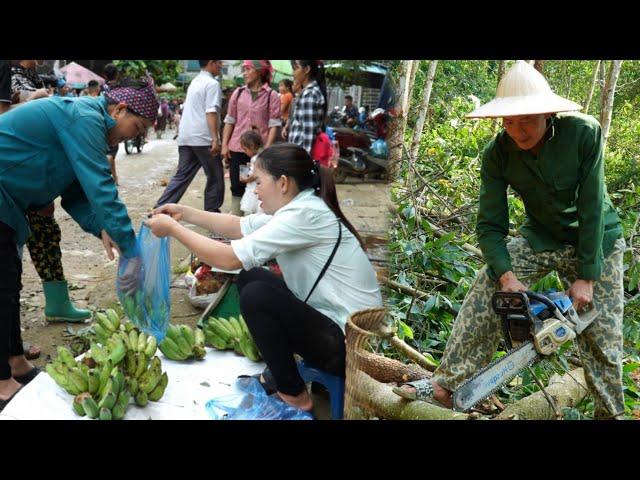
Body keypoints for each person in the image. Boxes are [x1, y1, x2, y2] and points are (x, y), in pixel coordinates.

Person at [393, 61, 626, 419]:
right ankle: (447, 385)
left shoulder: (583, 133)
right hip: (543, 236)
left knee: (603, 339)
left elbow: (593, 206)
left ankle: (609, 414)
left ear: (547, 113)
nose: (518, 130)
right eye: (509, 121)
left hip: (599, 240)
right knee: (486, 285)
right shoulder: (497, 154)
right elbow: (489, 226)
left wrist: (587, 276)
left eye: (527, 120)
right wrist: (506, 277)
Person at [145, 143, 382, 412]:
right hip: (335, 330)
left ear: (282, 183)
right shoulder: (299, 208)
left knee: (258, 295)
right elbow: (238, 226)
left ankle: (294, 395)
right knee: (251, 277)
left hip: (351, 349)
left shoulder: (303, 215)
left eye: (259, 180)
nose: (254, 188)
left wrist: (174, 230)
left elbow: (230, 258)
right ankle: (284, 376)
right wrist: (185, 213)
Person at [0, 78, 157, 411]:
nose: (135, 135)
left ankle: (15, 360)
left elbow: (75, 196)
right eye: (137, 126)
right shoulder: (84, 118)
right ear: (120, 109)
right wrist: (132, 250)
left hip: (10, 203)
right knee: (1, 284)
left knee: (9, 282)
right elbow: (101, 186)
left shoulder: (90, 129)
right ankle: (1, 379)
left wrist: (102, 228)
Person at [10, 60, 94, 327]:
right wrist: (33, 99)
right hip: (12, 171)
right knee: (8, 256)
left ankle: (58, 303)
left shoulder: (31, 74)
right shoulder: (7, 72)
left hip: (32, 173)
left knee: (45, 235)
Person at [155, 60, 225, 213]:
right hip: (203, 137)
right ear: (211, 62)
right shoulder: (212, 84)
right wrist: (215, 138)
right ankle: (213, 217)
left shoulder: (195, 81)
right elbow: (211, 111)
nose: (222, 65)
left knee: (182, 176)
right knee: (215, 177)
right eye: (220, 62)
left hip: (186, 136)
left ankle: (159, 210)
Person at [222, 60, 281, 216]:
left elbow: (273, 125)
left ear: (260, 71)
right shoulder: (238, 93)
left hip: (258, 151)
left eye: (248, 69)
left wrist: (266, 150)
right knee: (237, 185)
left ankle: (253, 221)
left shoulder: (271, 95)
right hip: (238, 147)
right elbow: (230, 120)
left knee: (258, 185)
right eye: (244, 70)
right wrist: (224, 145)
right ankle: (235, 218)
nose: (245, 73)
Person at [288, 60, 327, 155]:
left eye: (295, 68)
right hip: (297, 152)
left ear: (307, 69)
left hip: (300, 155)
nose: (293, 73)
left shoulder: (309, 94)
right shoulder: (310, 91)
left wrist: (304, 160)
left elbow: (308, 133)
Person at [238, 128, 264, 216]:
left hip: (254, 188)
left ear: (252, 146)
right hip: (257, 187)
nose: (244, 152)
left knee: (250, 211)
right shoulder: (263, 155)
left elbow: (256, 175)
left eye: (245, 149)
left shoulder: (255, 158)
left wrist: (246, 179)